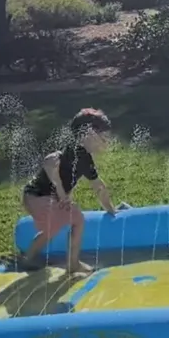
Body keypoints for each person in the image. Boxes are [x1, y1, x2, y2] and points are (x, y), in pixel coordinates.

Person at [20, 108, 118, 272]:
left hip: (37, 197)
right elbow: (50, 160)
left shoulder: (84, 158)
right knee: (75, 217)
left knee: (54, 227)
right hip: (36, 197)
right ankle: (72, 264)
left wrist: (111, 210)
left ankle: (28, 257)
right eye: (103, 138)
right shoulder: (74, 151)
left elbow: (99, 187)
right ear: (90, 134)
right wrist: (59, 188)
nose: (106, 142)